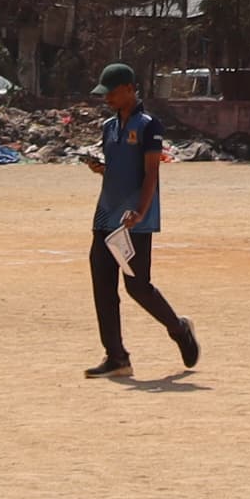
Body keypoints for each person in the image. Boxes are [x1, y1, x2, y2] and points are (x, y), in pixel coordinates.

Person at [82, 62, 199, 380]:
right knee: (103, 287)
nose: (107, 99)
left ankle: (179, 329)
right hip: (105, 215)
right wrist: (102, 169)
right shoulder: (109, 127)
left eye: (112, 93)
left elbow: (151, 172)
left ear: (130, 90)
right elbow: (120, 168)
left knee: (137, 286)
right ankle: (116, 357)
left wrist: (141, 211)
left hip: (134, 221)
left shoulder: (149, 125)